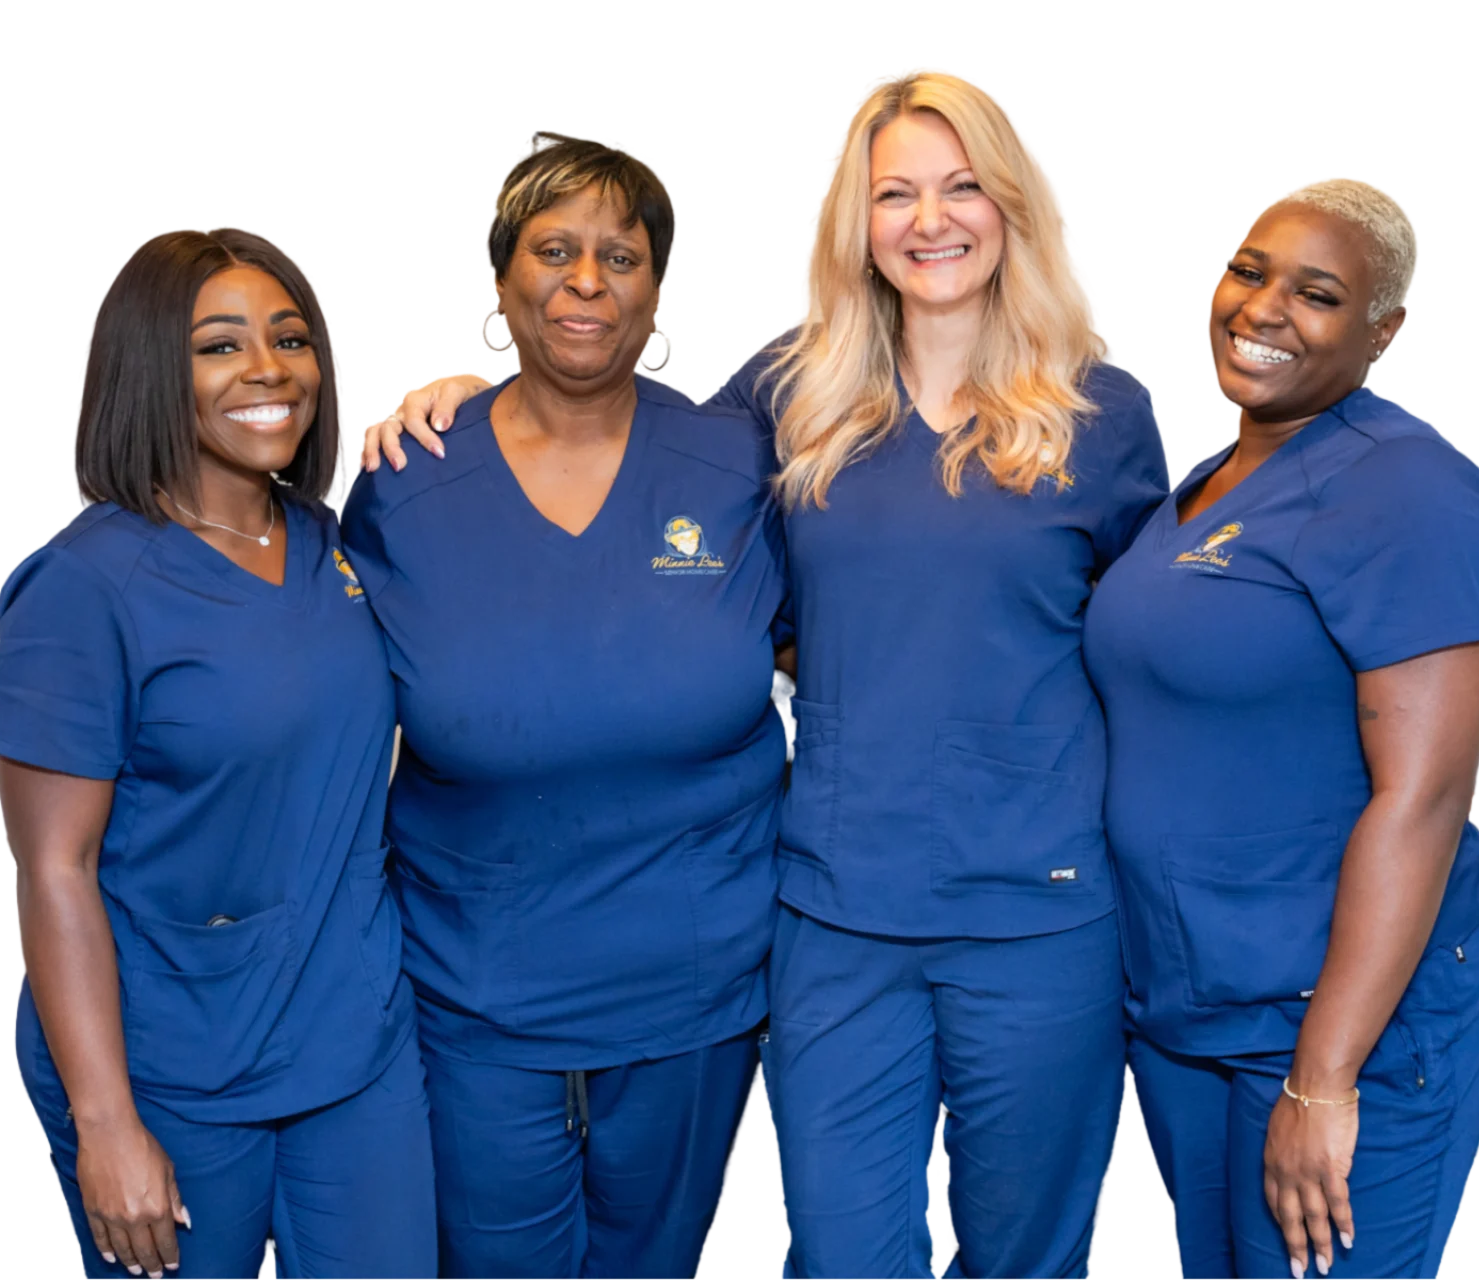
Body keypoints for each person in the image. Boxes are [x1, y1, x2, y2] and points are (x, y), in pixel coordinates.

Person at [365, 70, 1169, 1280]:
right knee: (844, 1255)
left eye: (962, 188)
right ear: (856, 217)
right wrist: (464, 394)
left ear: (1012, 204)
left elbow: (1157, 638)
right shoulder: (794, 391)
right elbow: (605, 416)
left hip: (1036, 906)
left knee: (1029, 1258)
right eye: (894, 192)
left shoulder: (1102, 414)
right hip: (834, 907)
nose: (930, 219)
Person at [338, 133, 790, 1280]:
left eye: (620, 255)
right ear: (500, 281)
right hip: (473, 999)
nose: (587, 280)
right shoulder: (397, 480)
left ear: (659, 284)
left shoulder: (743, 463)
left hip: (693, 998)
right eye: (553, 250)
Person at [1082, 177, 1479, 1279]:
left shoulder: (1406, 487)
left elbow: (1423, 799)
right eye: (1247, 269)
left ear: (1384, 332)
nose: (1263, 308)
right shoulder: (1203, 481)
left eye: (1316, 293)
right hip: (1191, 1006)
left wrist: (1323, 1078)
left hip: (1346, 1023)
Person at [0, 227, 439, 1279]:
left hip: (352, 1053)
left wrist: (462, 379)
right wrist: (107, 1124)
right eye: (220, 346)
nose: (269, 370)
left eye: (290, 338)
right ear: (152, 366)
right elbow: (54, 868)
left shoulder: (337, 545)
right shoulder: (82, 589)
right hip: (170, 1073)